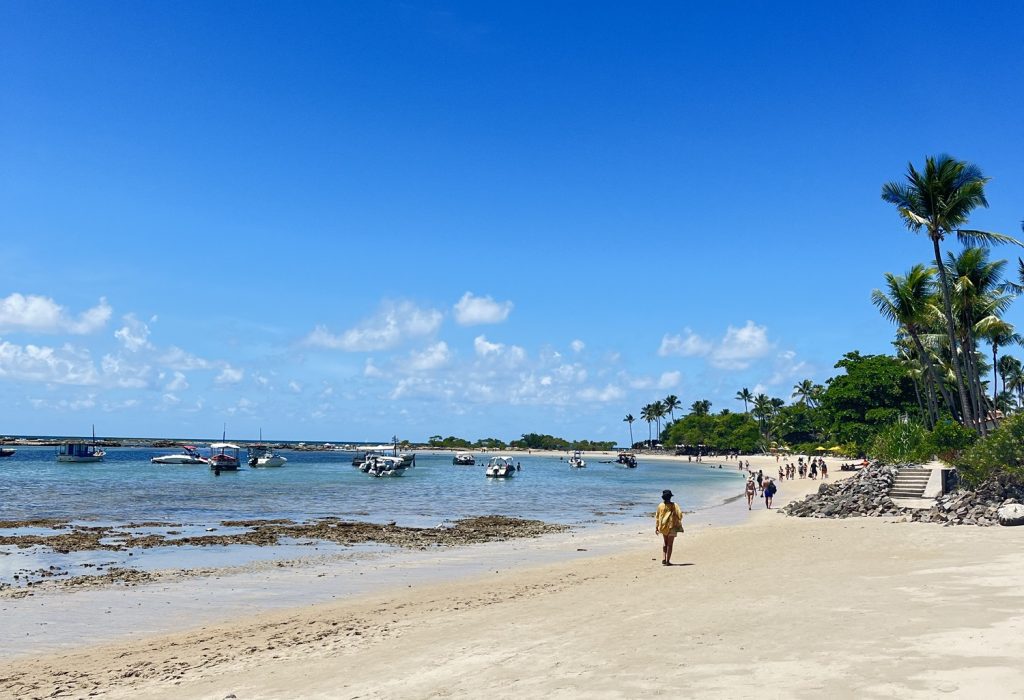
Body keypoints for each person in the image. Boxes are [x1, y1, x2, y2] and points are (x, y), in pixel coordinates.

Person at [655, 489, 683, 566]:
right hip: (672, 526)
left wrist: (656, 527)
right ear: (670, 497)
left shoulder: (660, 505)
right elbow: (680, 514)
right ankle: (667, 561)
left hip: (663, 527)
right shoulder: (674, 505)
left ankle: (663, 558)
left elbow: (657, 517)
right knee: (670, 544)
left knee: (665, 542)